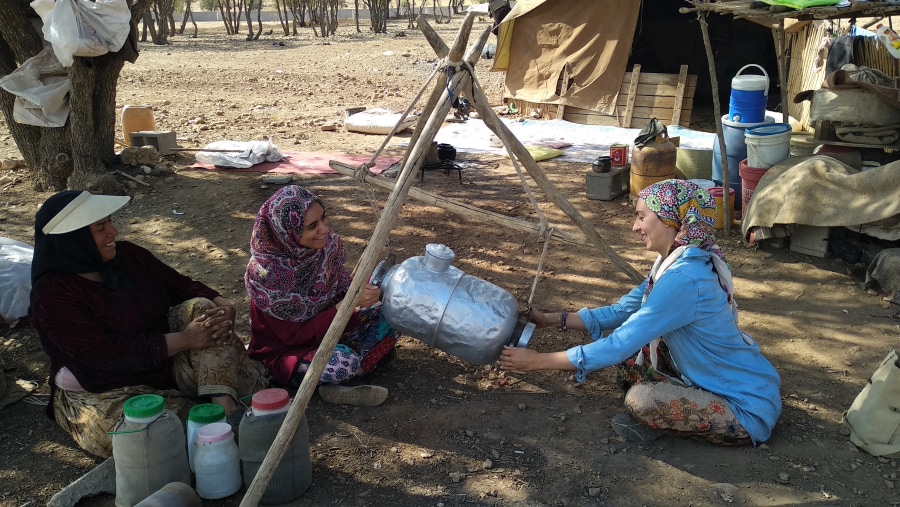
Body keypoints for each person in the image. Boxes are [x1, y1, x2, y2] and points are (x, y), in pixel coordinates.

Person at [499, 179, 782, 446]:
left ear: (670, 220)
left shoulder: (684, 279)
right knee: (633, 364)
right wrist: (550, 320)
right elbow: (624, 310)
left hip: (745, 407)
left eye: (641, 216)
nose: (635, 227)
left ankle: (688, 419)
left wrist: (538, 361)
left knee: (641, 400)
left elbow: (621, 342)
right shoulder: (674, 262)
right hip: (744, 382)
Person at [30, 190, 266, 458]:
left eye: (110, 222)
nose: (113, 232)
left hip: (164, 365)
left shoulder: (127, 256)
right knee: (140, 437)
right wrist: (187, 340)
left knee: (203, 308)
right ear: (72, 241)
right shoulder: (52, 295)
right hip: (106, 390)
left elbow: (180, 285)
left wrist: (221, 302)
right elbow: (106, 354)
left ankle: (225, 409)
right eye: (100, 228)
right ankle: (210, 414)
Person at [245, 185, 399, 406]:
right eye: (312, 226)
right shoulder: (267, 275)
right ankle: (354, 367)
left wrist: (364, 292)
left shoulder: (325, 249)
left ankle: (350, 371)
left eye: (323, 219)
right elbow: (293, 337)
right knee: (341, 363)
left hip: (335, 330)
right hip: (289, 352)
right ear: (285, 232)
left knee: (396, 309)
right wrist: (346, 306)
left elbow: (341, 287)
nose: (324, 229)